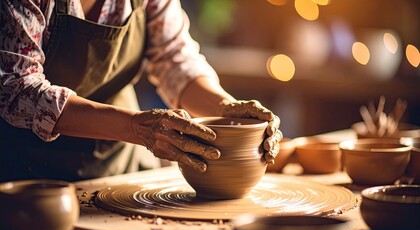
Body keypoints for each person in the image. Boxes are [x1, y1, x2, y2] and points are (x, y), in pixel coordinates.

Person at [0, 0, 282, 182]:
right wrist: (136, 127)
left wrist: (226, 109)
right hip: (29, 178)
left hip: (120, 164)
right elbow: (17, 87)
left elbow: (174, 59)